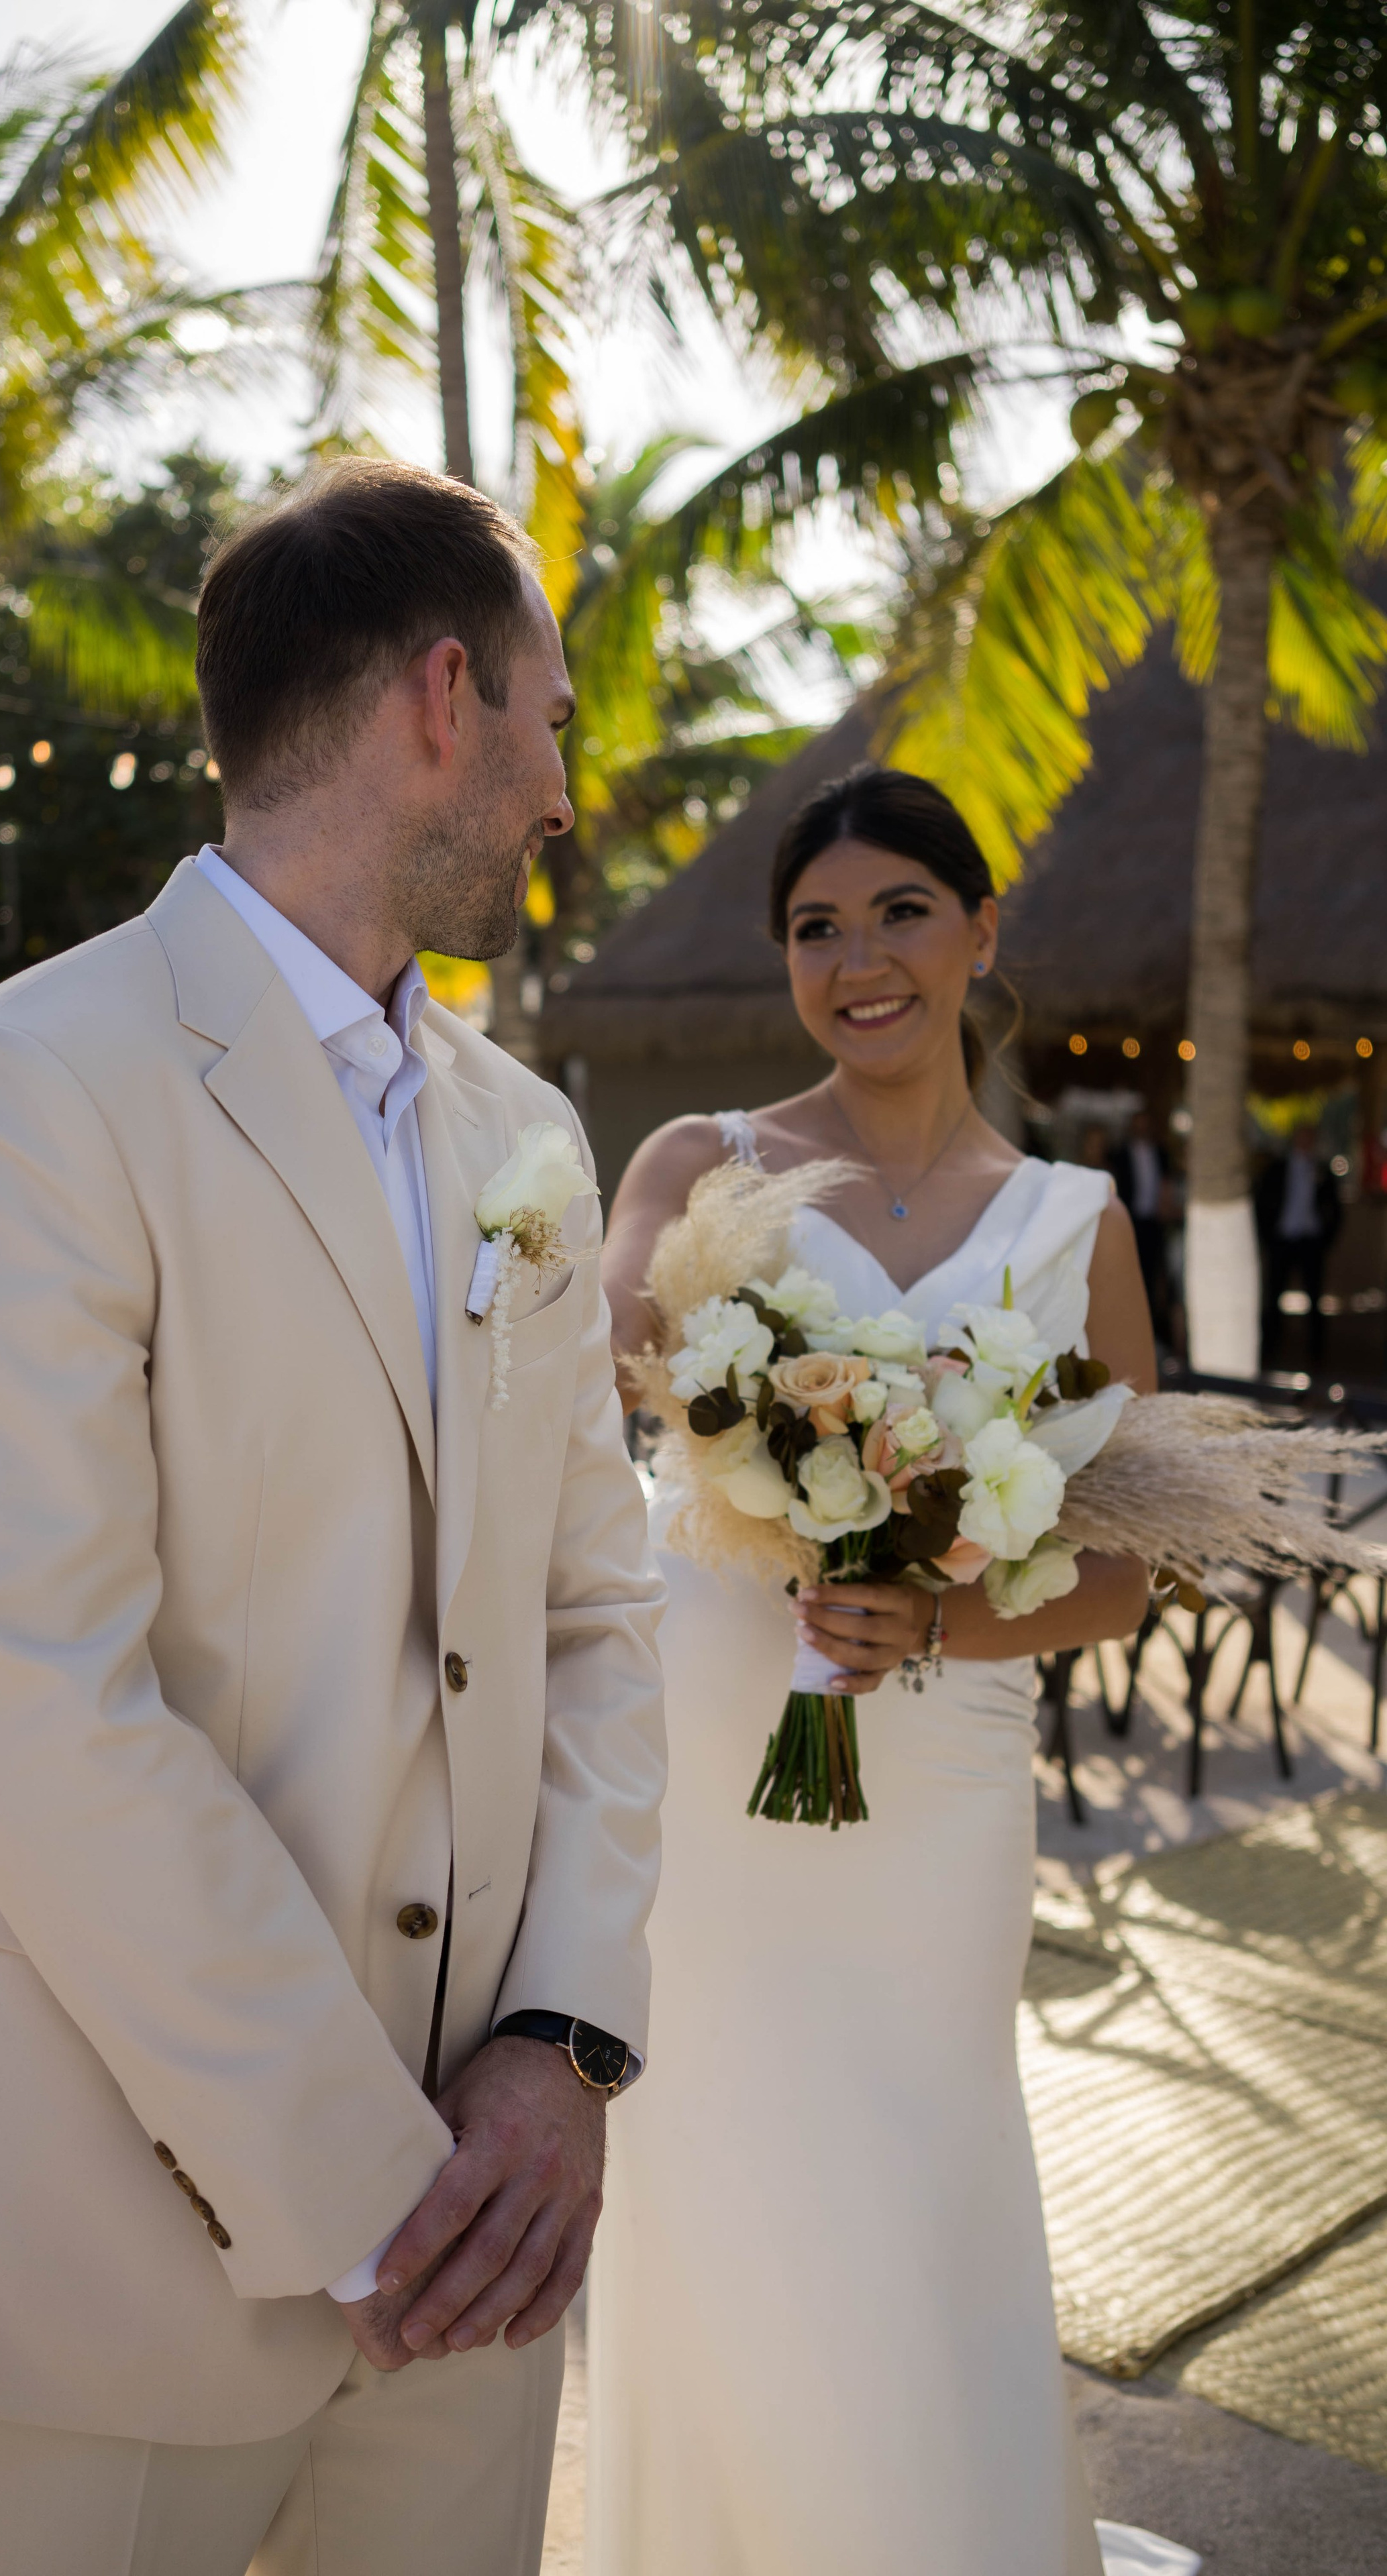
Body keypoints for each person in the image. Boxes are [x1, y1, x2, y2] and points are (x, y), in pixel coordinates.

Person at [0, 460, 666, 2576]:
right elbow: (47, 1705)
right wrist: (368, 2173)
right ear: (444, 695)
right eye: (555, 722)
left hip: (487, 2262)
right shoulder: (12, 1093)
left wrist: (559, 2049)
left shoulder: (532, 1135)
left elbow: (600, 1606)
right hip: (126, 2254)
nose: (565, 789)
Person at [593, 765, 1194, 2576]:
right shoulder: (703, 1165)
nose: (861, 960)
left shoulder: (1075, 1220)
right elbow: (613, 1345)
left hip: (937, 1800)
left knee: (921, 2176)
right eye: (816, 929)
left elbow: (1126, 1572)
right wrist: (751, 1406)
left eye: (902, 913)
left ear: (981, 930)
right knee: (719, 2172)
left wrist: (936, 1610)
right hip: (717, 1771)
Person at [1256, 1122, 1341, 1366]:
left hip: (1311, 1242)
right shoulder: (1277, 1168)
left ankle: (1318, 1353)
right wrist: (1269, 1238)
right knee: (1274, 1297)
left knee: (1315, 1298)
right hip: (1283, 1241)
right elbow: (1264, 1203)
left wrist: (1326, 1239)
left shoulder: (1322, 1170)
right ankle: (1270, 1348)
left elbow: (1334, 1210)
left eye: (1310, 1138)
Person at [1110, 1108, 1171, 1344]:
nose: (1141, 1128)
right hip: (1129, 1221)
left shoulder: (1161, 1153)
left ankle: (1150, 1330)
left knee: (1152, 1276)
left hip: (1154, 1223)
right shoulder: (1120, 1154)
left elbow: (1166, 1185)